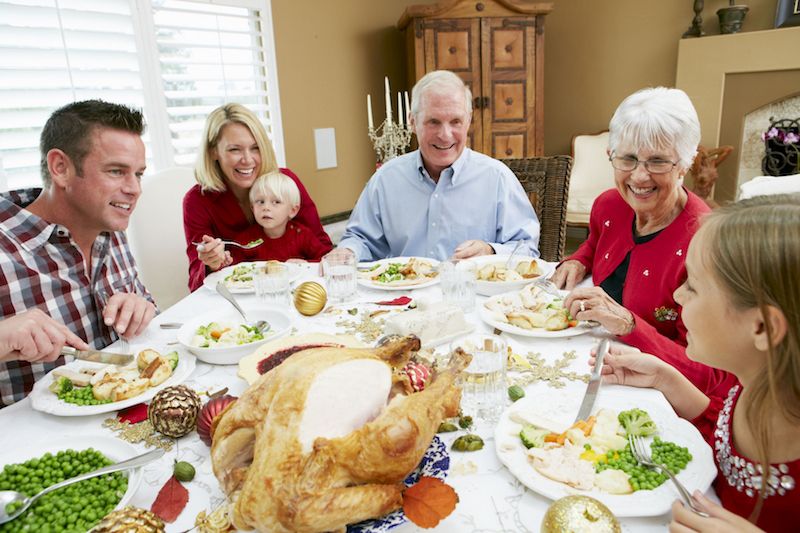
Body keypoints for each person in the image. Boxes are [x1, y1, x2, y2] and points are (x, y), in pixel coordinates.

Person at [592, 194, 800, 532]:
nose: (677, 296)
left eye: (693, 286)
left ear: (761, 327)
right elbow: (723, 434)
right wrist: (667, 381)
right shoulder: (749, 385)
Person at [550, 87, 734, 398]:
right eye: (628, 159)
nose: (639, 177)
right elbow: (597, 244)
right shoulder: (609, 205)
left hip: (656, 393)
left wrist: (630, 325)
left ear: (685, 165)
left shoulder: (706, 245)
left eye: (658, 161)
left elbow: (711, 374)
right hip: (592, 362)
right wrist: (578, 259)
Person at [0, 100, 157, 407]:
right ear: (61, 168)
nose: (135, 189)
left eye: (138, 174)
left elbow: (149, 319)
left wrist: (144, 308)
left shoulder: (110, 226)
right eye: (116, 171)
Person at [334, 70, 539, 262]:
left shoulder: (497, 178)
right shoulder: (386, 179)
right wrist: (347, 252)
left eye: (456, 121)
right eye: (433, 122)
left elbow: (526, 248)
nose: (445, 135)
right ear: (412, 122)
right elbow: (361, 239)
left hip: (474, 297)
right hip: (404, 296)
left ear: (468, 121)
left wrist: (490, 251)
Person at [183, 103, 331, 290]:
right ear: (213, 151)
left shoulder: (285, 182)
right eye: (234, 149)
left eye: (255, 148)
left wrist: (304, 267)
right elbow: (196, 283)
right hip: (234, 304)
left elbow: (324, 251)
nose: (247, 159)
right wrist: (211, 263)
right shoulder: (197, 202)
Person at [232, 171, 332, 262]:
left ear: (292, 210)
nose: (266, 207)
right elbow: (234, 270)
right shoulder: (245, 241)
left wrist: (306, 264)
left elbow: (325, 260)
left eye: (276, 202)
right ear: (252, 208)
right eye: (260, 202)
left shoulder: (302, 235)